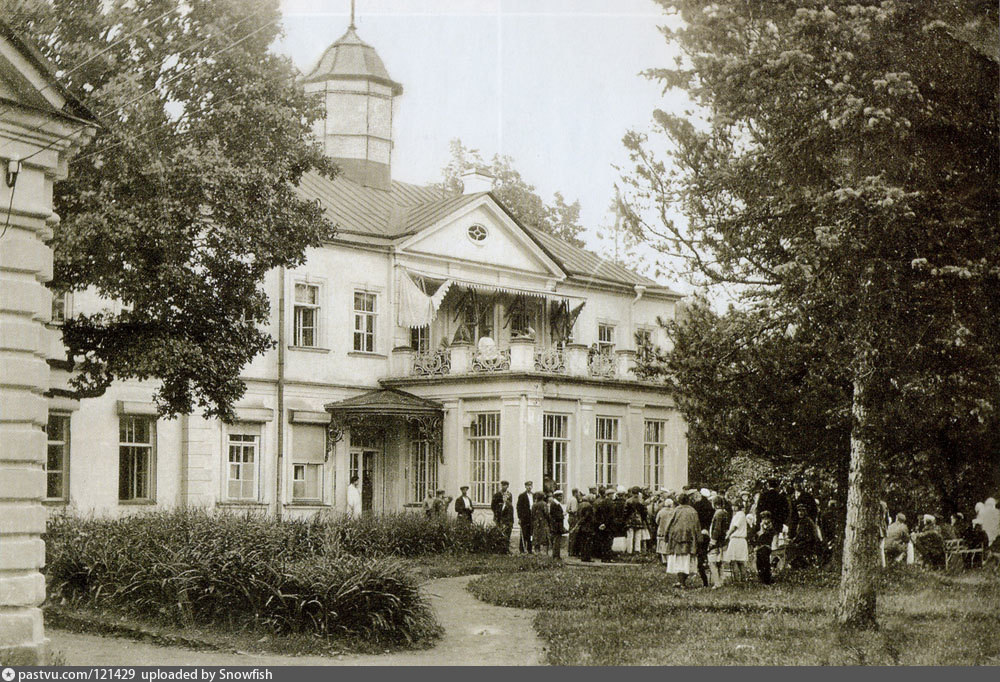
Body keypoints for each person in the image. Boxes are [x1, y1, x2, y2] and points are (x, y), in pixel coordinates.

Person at [663, 493, 702, 589]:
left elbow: (669, 523)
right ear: (688, 501)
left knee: (679, 559)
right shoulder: (693, 511)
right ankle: (682, 582)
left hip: (677, 538)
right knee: (686, 559)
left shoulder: (676, 510)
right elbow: (697, 525)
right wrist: (699, 538)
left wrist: (666, 536)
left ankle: (681, 582)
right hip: (690, 538)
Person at [689, 487, 714, 587]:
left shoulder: (697, 506)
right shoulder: (711, 506)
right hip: (707, 531)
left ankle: (704, 581)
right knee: (705, 554)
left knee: (699, 555)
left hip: (699, 532)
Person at [786, 503, 823, 569]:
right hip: (808, 542)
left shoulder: (805, 521)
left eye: (802, 511)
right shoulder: (805, 520)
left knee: (791, 548)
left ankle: (792, 564)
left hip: (809, 543)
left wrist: (793, 540)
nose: (800, 513)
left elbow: (801, 535)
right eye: (799, 511)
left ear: (805, 512)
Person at [707, 495, 730, 588]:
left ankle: (717, 582)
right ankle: (721, 580)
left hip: (717, 542)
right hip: (723, 541)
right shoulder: (725, 512)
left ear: (715, 504)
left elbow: (717, 529)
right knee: (720, 562)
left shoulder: (718, 514)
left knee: (712, 562)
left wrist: (712, 541)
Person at [724, 498, 749, 581]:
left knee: (737, 561)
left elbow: (735, 526)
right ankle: (738, 579)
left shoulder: (740, 515)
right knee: (736, 560)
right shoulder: (737, 515)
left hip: (738, 539)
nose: (733, 507)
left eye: (735, 506)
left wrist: (728, 534)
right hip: (736, 539)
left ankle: (740, 579)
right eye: (733, 506)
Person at [753, 511, 777, 584]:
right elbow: (756, 536)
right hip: (759, 547)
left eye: (766, 518)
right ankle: (761, 578)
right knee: (759, 563)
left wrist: (762, 530)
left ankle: (767, 579)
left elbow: (768, 535)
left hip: (766, 546)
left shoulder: (770, 527)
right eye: (763, 519)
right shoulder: (760, 526)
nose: (765, 520)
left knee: (765, 562)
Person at [491, 480, 514, 551]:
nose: (504, 487)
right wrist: (498, 510)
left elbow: (510, 506)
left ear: (507, 486)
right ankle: (499, 548)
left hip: (507, 517)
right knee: (499, 532)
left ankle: (506, 548)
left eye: (505, 485)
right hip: (499, 517)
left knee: (507, 532)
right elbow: (493, 506)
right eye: (503, 485)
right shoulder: (497, 495)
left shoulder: (509, 495)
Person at [625, 487, 649, 554]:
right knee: (638, 536)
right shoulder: (641, 501)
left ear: (632, 492)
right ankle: (637, 550)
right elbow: (645, 512)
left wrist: (625, 519)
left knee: (630, 536)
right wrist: (643, 519)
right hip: (639, 519)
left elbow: (625, 512)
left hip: (630, 520)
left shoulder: (628, 501)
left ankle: (629, 550)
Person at [655, 497, 677, 564]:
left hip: (661, 530)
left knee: (661, 545)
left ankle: (663, 560)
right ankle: (669, 560)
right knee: (669, 545)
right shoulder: (674, 511)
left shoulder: (661, 511)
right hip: (670, 531)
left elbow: (657, 521)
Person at [577, 494, 598, 562]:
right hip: (588, 526)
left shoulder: (580, 504)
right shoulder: (589, 506)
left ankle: (583, 556)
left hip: (583, 526)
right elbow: (587, 516)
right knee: (588, 542)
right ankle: (587, 557)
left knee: (583, 542)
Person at [517, 481, 534, 554]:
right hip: (524, 518)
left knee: (531, 534)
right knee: (524, 533)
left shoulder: (533, 495)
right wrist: (519, 518)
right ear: (525, 487)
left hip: (531, 517)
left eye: (530, 485)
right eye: (527, 486)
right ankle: (522, 549)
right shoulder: (522, 496)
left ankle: (529, 549)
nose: (529, 487)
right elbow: (518, 507)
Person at [550, 490, 567, 560]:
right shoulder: (555, 504)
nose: (561, 498)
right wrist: (562, 515)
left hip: (557, 525)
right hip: (556, 525)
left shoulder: (556, 504)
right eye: (560, 496)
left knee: (557, 541)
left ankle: (557, 555)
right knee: (556, 541)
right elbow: (555, 515)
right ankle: (556, 556)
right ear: (556, 497)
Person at [567, 488, 581, 556]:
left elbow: (567, 509)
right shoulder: (574, 500)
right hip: (573, 518)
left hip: (570, 517)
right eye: (578, 493)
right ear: (575, 493)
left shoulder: (570, 499)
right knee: (574, 534)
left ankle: (570, 550)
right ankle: (572, 551)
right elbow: (574, 510)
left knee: (571, 534)